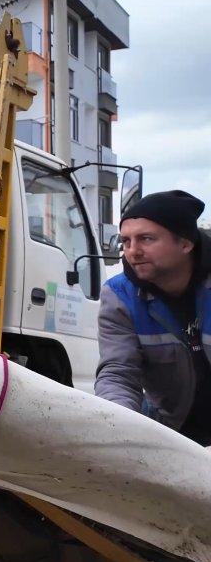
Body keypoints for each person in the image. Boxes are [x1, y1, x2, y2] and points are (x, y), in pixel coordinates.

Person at [95, 190, 211, 444]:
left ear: (185, 243)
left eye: (146, 239)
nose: (133, 251)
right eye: (125, 241)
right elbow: (118, 371)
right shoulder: (119, 296)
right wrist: (116, 425)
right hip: (172, 434)